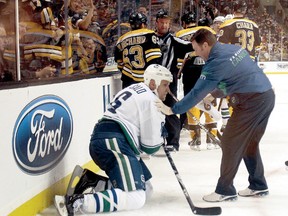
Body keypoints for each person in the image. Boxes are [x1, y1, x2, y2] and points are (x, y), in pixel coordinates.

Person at [156, 29, 275, 202]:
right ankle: (258, 185)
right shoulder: (231, 49)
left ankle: (225, 190)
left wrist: (173, 110)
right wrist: (214, 95)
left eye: (197, 49)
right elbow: (236, 77)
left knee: (229, 141)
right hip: (266, 96)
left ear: (205, 45)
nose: (196, 53)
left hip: (251, 102)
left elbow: (196, 92)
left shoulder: (215, 62)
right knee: (249, 143)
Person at [54, 64, 173, 215]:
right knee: (136, 197)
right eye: (165, 85)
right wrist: (161, 132)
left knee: (146, 189)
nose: (168, 90)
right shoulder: (151, 100)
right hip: (114, 143)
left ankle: (92, 182)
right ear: (152, 83)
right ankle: (76, 202)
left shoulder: (134, 88)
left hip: (106, 140)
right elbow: (150, 147)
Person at [176, 11, 220, 150]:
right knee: (209, 101)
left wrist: (179, 73)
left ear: (183, 23)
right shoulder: (207, 30)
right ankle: (211, 138)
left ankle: (195, 139)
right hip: (208, 71)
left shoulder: (179, 35)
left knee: (191, 102)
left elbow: (179, 61)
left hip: (190, 73)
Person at [155, 9, 193, 152]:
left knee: (170, 110)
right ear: (156, 22)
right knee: (152, 109)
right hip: (152, 81)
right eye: (162, 22)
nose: (164, 25)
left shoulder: (174, 40)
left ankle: (173, 142)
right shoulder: (149, 38)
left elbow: (190, 47)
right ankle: (154, 139)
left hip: (168, 82)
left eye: (167, 23)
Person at [114, 12, 162, 89]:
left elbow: (119, 63)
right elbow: (155, 59)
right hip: (147, 80)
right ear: (143, 24)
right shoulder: (150, 35)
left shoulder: (121, 39)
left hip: (128, 80)